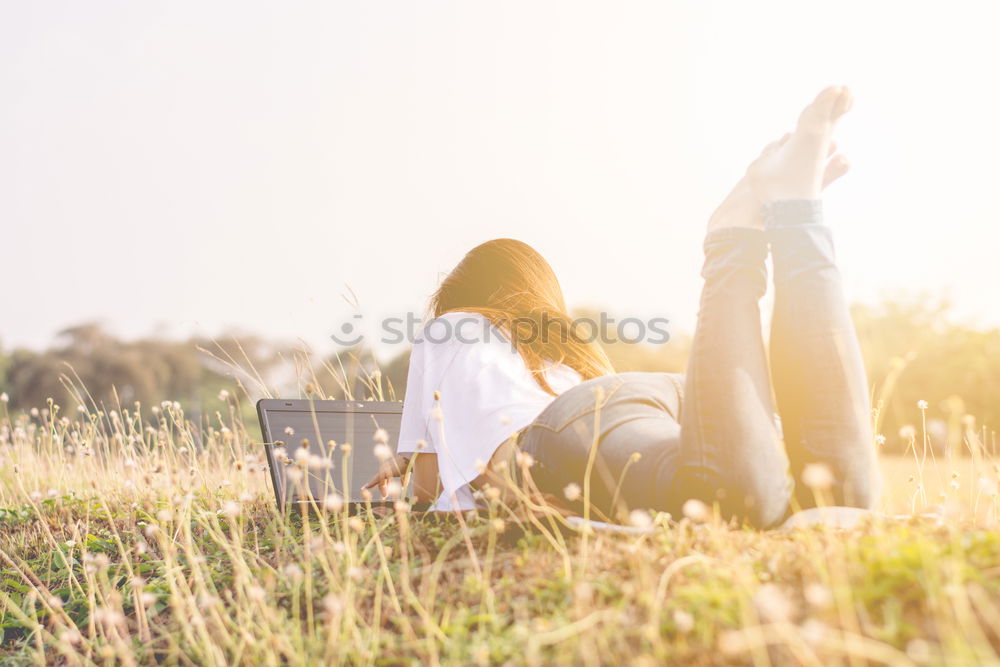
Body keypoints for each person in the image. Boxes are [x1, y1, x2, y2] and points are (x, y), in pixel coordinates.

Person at [365, 86, 881, 527]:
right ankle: (796, 209)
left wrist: (400, 481)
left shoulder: (446, 328)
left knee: (737, 499)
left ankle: (733, 237)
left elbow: (430, 492)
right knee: (834, 497)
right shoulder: (564, 349)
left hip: (557, 437)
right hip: (646, 400)